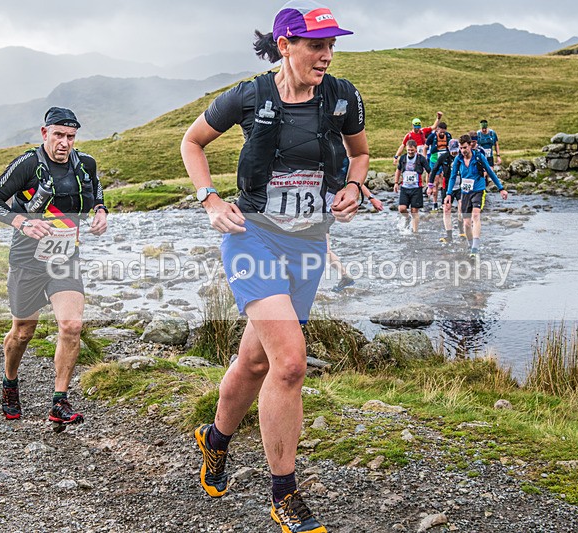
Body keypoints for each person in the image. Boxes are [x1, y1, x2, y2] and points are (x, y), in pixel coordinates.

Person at [180, 2, 367, 531]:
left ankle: (215, 439)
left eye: (331, 45)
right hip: (253, 238)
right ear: (285, 46)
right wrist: (210, 199)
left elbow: (359, 155)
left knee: (256, 363)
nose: (326, 55)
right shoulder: (249, 95)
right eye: (315, 45)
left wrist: (353, 186)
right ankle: (284, 492)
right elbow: (192, 142)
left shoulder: (343, 98)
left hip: (308, 245)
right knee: (289, 363)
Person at [0, 107, 108, 430]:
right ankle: (10, 382)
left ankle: (59, 401)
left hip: (65, 258)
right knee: (23, 333)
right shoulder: (29, 164)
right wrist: (21, 221)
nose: (65, 143)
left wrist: (101, 210)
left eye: (71, 136)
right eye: (59, 136)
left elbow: (96, 190)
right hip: (27, 260)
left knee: (72, 325)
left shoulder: (85, 164)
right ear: (44, 133)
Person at [444, 134, 508, 257]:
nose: (463, 151)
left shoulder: (479, 157)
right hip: (465, 192)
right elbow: (452, 177)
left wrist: (501, 188)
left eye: (465, 148)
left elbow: (490, 172)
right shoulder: (458, 159)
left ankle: (475, 248)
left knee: (476, 215)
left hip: (478, 190)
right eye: (461, 148)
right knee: (466, 223)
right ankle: (470, 244)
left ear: (470, 146)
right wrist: (448, 194)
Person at [329, 183, 382, 292]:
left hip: (324, 210)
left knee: (323, 249)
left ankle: (344, 276)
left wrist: (371, 198)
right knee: (322, 249)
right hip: (320, 209)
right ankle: (344, 276)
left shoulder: (337, 169)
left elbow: (356, 182)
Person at [429, 138, 462, 243]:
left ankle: (462, 231)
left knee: (462, 208)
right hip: (447, 186)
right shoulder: (444, 157)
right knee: (446, 209)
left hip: (461, 186)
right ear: (448, 148)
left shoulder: (463, 156)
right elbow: (434, 169)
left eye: (456, 150)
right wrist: (430, 185)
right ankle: (449, 235)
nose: (454, 152)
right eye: (452, 150)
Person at [394, 140, 430, 234]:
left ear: (416, 149)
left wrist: (429, 184)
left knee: (414, 211)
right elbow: (398, 170)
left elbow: (429, 171)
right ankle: (407, 217)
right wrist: (396, 183)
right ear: (406, 149)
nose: (410, 152)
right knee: (401, 208)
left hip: (416, 188)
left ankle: (415, 232)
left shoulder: (421, 159)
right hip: (405, 188)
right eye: (409, 150)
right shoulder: (403, 158)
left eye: (412, 150)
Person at [425, 121, 452, 210]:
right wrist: (425, 158)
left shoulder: (448, 136)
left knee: (445, 180)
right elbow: (425, 147)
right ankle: (435, 203)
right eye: (441, 132)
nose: (442, 134)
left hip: (445, 161)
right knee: (435, 182)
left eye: (444, 132)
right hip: (434, 160)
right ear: (437, 129)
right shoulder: (432, 136)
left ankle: (444, 201)